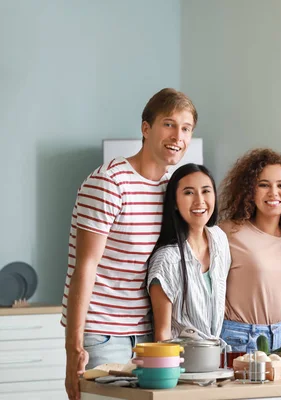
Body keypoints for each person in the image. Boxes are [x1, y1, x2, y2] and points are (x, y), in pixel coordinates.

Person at [61, 88, 197, 400]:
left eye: (186, 128)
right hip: (102, 333)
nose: (178, 135)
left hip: (150, 333)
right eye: (169, 124)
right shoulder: (109, 183)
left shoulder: (171, 189)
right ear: (145, 128)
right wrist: (74, 346)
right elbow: (85, 266)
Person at [218, 148, 281, 353]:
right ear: (250, 191)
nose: (273, 193)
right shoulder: (229, 232)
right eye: (263, 185)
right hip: (240, 338)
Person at [146, 163, 231, 342]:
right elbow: (163, 335)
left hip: (214, 359)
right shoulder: (167, 259)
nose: (199, 200)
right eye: (188, 193)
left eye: (206, 191)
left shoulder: (219, 239)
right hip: (181, 362)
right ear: (175, 203)